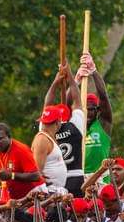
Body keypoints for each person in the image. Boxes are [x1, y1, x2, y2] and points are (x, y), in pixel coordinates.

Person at [50, 60, 88, 196]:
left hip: (56, 180)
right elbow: (78, 102)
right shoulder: (75, 125)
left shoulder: (48, 129)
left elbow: (47, 104)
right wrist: (71, 76)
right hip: (76, 177)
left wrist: (55, 82)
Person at [76, 53, 113, 181]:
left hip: (101, 179)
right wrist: (76, 82)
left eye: (91, 109)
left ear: (97, 110)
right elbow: (65, 105)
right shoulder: (76, 126)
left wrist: (93, 70)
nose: (87, 113)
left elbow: (103, 96)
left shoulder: (103, 123)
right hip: (80, 178)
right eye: (84, 109)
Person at [0, 122, 43, 201]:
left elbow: (36, 176)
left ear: (9, 137)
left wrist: (11, 175)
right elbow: (5, 172)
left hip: (34, 195)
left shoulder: (21, 150)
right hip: (15, 198)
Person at [32, 105, 68, 193]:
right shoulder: (42, 140)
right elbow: (36, 171)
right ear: (58, 122)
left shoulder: (49, 137)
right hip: (47, 193)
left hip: (54, 191)